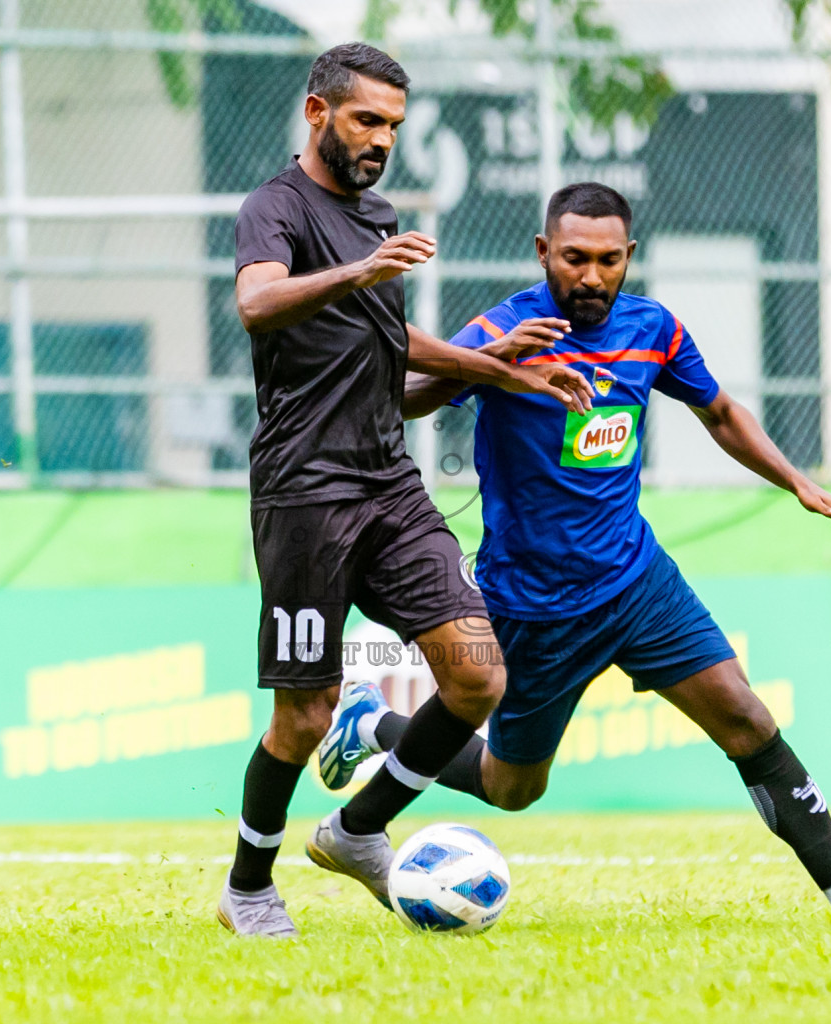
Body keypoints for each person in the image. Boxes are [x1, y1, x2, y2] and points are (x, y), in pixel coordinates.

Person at [319, 182, 831, 925]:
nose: (590, 276)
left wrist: (798, 484)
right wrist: (483, 361)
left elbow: (719, 410)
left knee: (746, 717)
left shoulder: (655, 329)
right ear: (544, 252)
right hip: (535, 604)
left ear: (629, 257)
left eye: (608, 260)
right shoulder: (507, 325)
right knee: (514, 786)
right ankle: (371, 725)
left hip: (637, 581)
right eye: (574, 258)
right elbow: (401, 395)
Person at [219, 43, 596, 938]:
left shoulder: (376, 214)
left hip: (390, 484)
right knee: (303, 715)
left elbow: (390, 338)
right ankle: (247, 887)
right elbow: (257, 305)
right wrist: (365, 270)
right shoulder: (274, 208)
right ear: (318, 114)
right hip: (304, 492)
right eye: (366, 121)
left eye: (393, 124)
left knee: (478, 677)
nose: (383, 139)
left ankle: (356, 830)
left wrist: (495, 367)